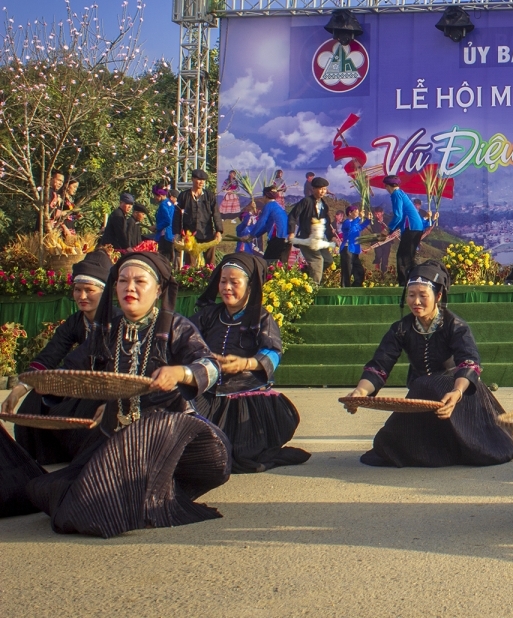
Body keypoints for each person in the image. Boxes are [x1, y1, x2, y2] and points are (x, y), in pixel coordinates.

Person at [21, 251, 230, 537]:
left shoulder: (177, 327)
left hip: (169, 438)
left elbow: (211, 366)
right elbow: (70, 371)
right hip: (116, 436)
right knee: (47, 489)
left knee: (96, 500)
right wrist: (38, 385)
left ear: (158, 290)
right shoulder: (106, 332)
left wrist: (180, 373)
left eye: (139, 281)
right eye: (122, 281)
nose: (129, 288)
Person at [344, 261, 513, 468]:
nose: (416, 301)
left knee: (483, 449)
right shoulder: (401, 329)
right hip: (422, 397)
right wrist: (360, 392)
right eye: (411, 295)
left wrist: (457, 392)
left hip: (456, 394)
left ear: (439, 296)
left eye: (423, 295)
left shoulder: (455, 325)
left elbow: (468, 360)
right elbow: (381, 364)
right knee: (386, 446)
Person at [191, 253, 311, 474]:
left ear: (250, 286)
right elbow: (187, 340)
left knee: (240, 454)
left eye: (234, 283)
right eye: (223, 281)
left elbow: (273, 352)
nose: (227, 287)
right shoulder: (208, 315)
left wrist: (246, 364)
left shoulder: (261, 318)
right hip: (209, 394)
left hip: (246, 398)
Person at [3, 251, 113, 464]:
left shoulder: (116, 321)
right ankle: (41, 457)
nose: (82, 296)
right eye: (77, 290)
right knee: (36, 397)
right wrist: (17, 391)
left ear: (105, 292)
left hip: (109, 391)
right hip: (79, 385)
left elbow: (81, 359)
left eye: (89, 290)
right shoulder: (74, 322)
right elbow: (50, 355)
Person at [288, 176, 336, 282]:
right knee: (317, 261)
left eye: (324, 189)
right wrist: (291, 232)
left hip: (319, 239)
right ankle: (313, 290)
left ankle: (306, 275)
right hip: (306, 238)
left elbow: (327, 223)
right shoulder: (306, 201)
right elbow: (293, 216)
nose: (322, 191)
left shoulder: (324, 205)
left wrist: (331, 237)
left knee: (328, 260)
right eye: (320, 189)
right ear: (313, 189)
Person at [175, 168, 222, 264]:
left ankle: (210, 277)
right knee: (190, 263)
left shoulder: (209, 195)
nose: (201, 182)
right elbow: (177, 215)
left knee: (210, 262)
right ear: (192, 179)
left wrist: (218, 231)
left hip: (207, 232)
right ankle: (189, 278)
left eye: (203, 180)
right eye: (199, 179)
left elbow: (216, 213)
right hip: (190, 234)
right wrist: (177, 233)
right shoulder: (184, 196)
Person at [383, 175, 425, 281]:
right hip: (416, 227)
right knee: (409, 256)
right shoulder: (401, 193)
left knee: (402, 257)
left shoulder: (396, 194)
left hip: (412, 228)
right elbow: (402, 217)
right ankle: (414, 280)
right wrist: (393, 230)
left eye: (386, 186)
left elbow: (398, 215)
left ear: (388, 186)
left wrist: (388, 229)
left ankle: (404, 283)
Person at [252, 185, 290, 264]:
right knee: (281, 264)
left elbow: (261, 222)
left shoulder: (269, 206)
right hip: (285, 238)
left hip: (278, 238)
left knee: (269, 262)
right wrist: (255, 236)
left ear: (265, 196)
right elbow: (266, 226)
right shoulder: (277, 206)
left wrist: (251, 235)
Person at [339, 203, 370, 287]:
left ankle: (354, 288)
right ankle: (345, 291)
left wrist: (368, 220)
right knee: (347, 272)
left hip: (354, 251)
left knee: (360, 272)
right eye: (355, 212)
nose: (357, 213)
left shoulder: (354, 223)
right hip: (347, 249)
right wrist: (359, 218)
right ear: (350, 213)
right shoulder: (346, 222)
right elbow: (351, 228)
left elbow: (360, 227)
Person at [153, 186, 176, 260]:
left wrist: (156, 227)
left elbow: (167, 220)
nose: (154, 198)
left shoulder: (163, 205)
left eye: (155, 196)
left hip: (165, 237)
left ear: (159, 195)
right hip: (171, 236)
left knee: (163, 259)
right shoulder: (170, 203)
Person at [369, 206, 393, 275]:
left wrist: (390, 233)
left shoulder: (388, 220)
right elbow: (376, 231)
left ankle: (383, 274)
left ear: (382, 213)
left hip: (387, 242)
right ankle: (377, 266)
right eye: (376, 214)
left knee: (385, 259)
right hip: (378, 241)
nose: (377, 216)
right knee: (378, 255)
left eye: (378, 214)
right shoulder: (373, 222)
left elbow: (391, 229)